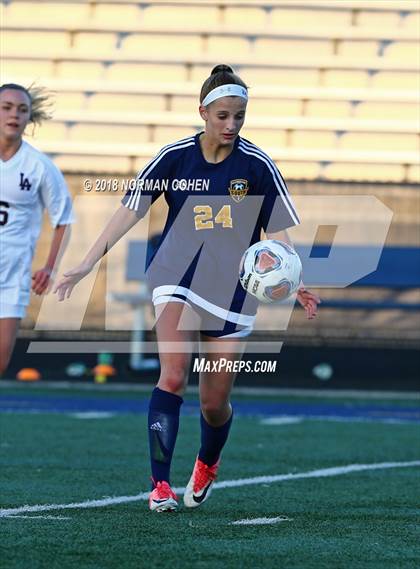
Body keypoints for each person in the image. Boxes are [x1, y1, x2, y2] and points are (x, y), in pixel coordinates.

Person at [54, 65, 320, 512]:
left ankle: (207, 461)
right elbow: (128, 212)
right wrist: (85, 264)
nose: (231, 125)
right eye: (222, 116)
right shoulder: (175, 158)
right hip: (176, 278)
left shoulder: (257, 165)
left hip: (231, 290)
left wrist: (295, 280)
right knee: (174, 374)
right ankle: (159, 485)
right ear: (203, 112)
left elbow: (277, 234)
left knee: (215, 404)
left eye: (239, 116)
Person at [0, 83, 75, 376]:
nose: (14, 115)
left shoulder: (40, 166)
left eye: (22, 109)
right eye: (6, 107)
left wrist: (49, 268)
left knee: (2, 363)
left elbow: (63, 220)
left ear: (29, 117)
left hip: (12, 277)